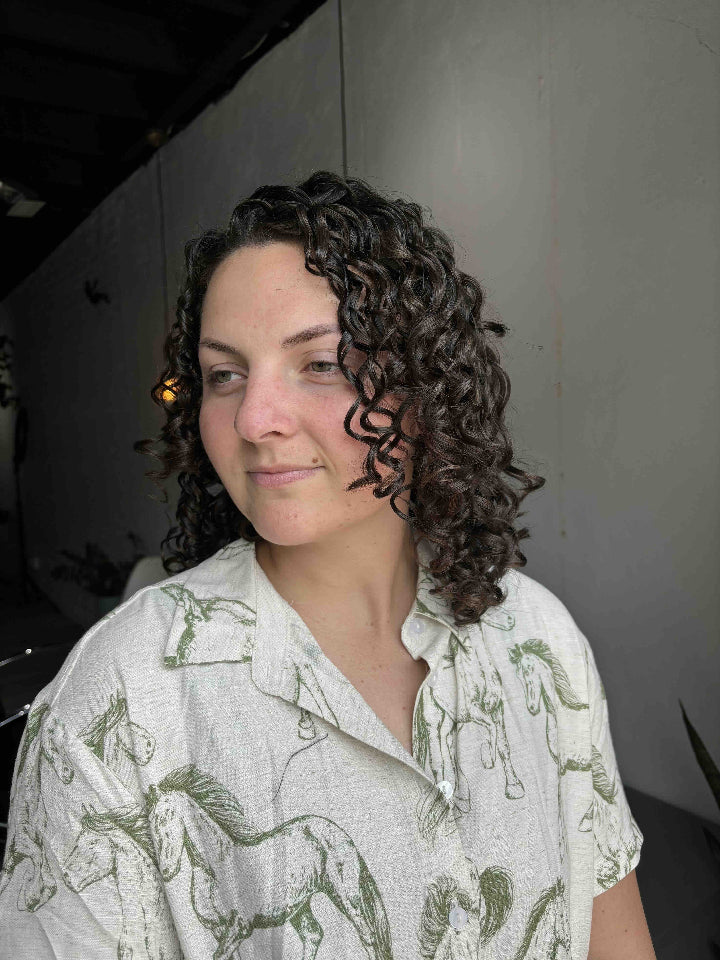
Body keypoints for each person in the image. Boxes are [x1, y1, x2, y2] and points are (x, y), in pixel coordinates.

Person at [0, 171, 655, 959]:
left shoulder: (540, 640)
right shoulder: (121, 704)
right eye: (224, 375)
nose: (253, 418)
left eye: (321, 363)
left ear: (425, 383)